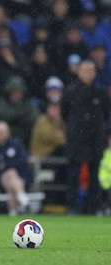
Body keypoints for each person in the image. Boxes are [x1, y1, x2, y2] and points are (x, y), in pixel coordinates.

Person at [61, 60, 110, 214]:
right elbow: (65, 113)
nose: (87, 74)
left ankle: (93, 208)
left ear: (95, 73)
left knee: (95, 176)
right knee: (73, 175)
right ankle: (72, 207)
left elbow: (107, 114)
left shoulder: (101, 92)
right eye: (84, 70)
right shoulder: (70, 91)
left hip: (95, 139)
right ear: (78, 72)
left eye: (90, 71)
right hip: (76, 139)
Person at [0, 121, 31, 216]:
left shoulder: (16, 144)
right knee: (10, 174)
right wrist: (8, 167)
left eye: (3, 132)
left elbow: (23, 162)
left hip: (20, 177)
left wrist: (6, 165)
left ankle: (13, 212)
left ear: (8, 132)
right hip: (0, 179)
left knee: (11, 182)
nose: (0, 135)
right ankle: (22, 197)